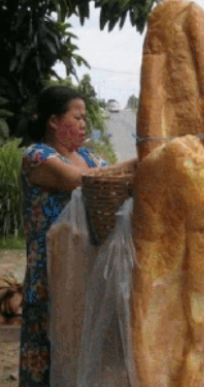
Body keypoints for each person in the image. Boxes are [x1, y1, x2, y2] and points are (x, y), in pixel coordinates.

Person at [19, 86, 136, 386]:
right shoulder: (37, 156)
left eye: (85, 118)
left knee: (83, 350)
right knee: (48, 353)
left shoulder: (89, 156)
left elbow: (115, 182)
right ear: (53, 121)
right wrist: (137, 163)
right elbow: (80, 181)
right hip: (49, 273)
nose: (84, 124)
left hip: (88, 268)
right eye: (77, 117)